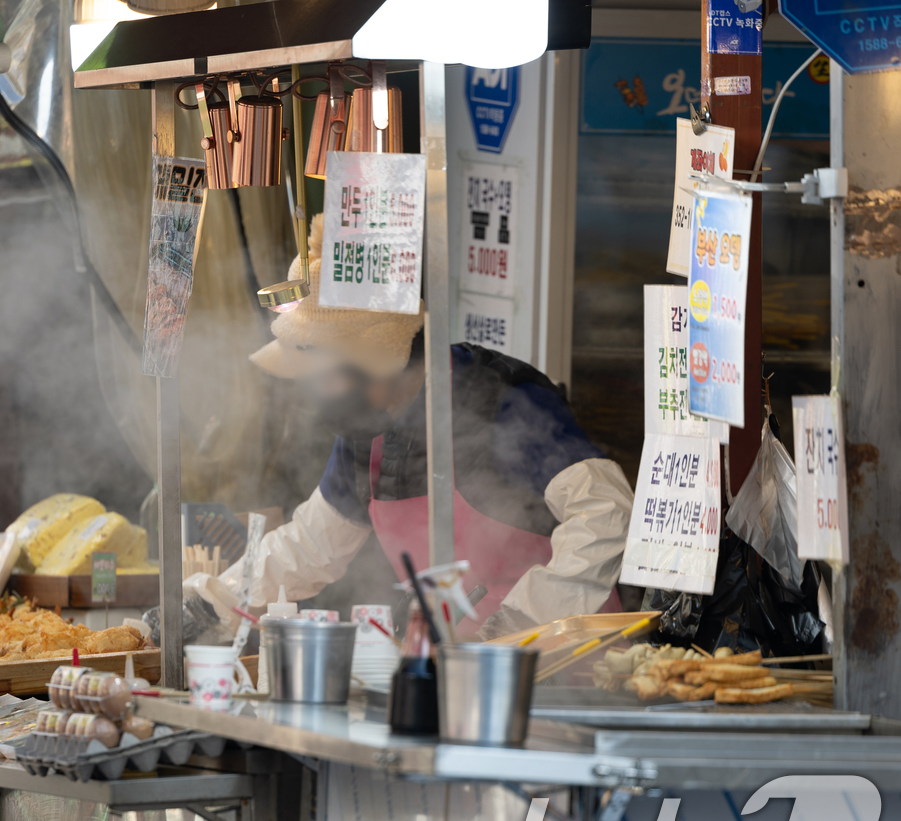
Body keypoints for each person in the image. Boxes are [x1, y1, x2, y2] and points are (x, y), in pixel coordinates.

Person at [188, 215, 634, 640]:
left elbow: (606, 514)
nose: (315, 394)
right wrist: (212, 603)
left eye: (323, 375)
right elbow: (310, 547)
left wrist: (520, 623)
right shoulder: (366, 432)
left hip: (560, 664)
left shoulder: (502, 401)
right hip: (449, 663)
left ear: (378, 360)